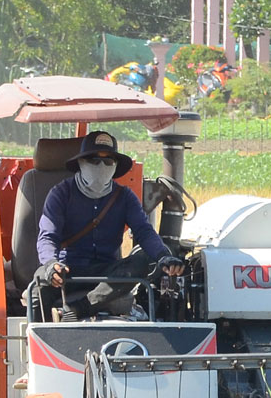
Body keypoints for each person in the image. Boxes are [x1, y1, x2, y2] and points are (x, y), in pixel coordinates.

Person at [35, 131, 183, 319]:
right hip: (68, 270)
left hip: (109, 273)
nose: (101, 166)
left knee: (142, 260)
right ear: (81, 162)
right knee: (39, 286)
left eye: (108, 161)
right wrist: (51, 264)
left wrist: (163, 256)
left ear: (115, 166)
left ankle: (80, 309)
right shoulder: (61, 193)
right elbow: (48, 237)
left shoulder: (125, 197)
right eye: (94, 160)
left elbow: (144, 231)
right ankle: (37, 333)